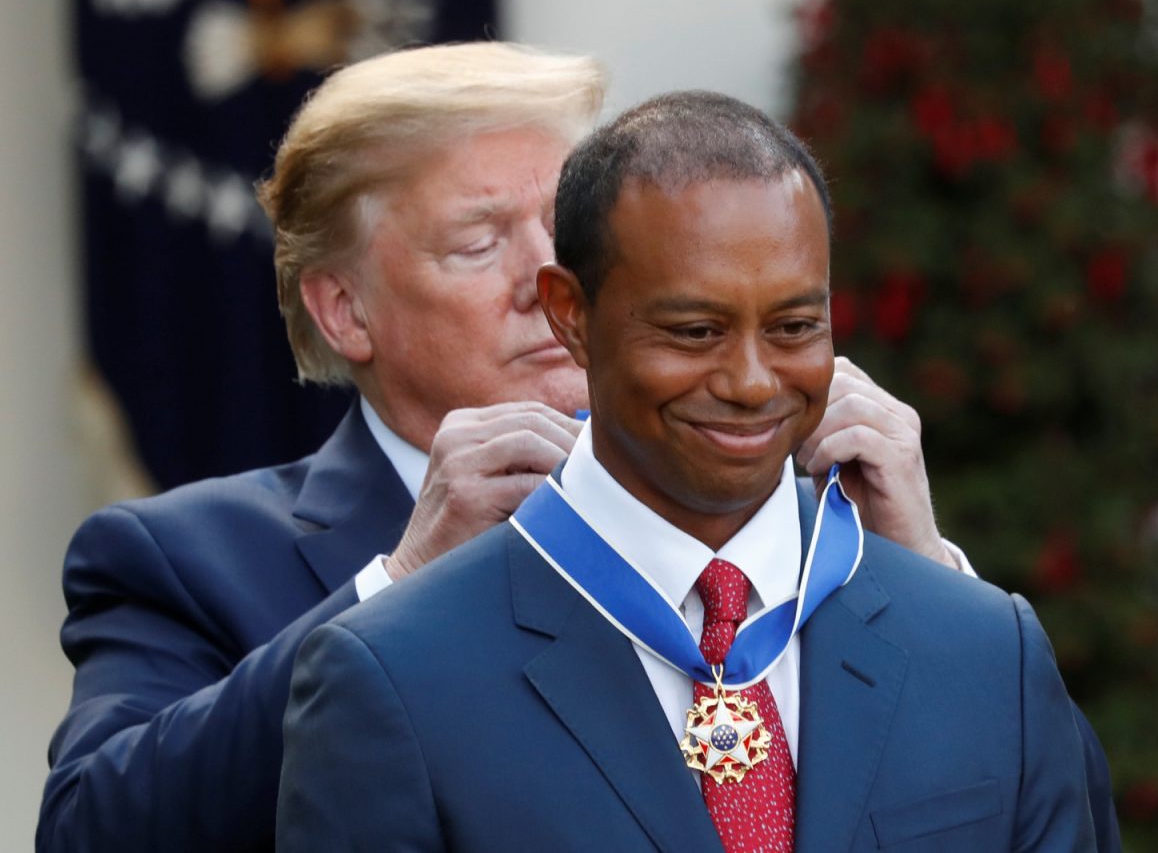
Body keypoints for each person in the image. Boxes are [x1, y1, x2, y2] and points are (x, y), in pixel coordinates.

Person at [38, 44, 1099, 853]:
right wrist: (396, 580)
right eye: (479, 239)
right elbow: (92, 826)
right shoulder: (190, 556)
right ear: (344, 307)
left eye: (565, 227)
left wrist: (917, 571)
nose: (543, 281)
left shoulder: (825, 526)